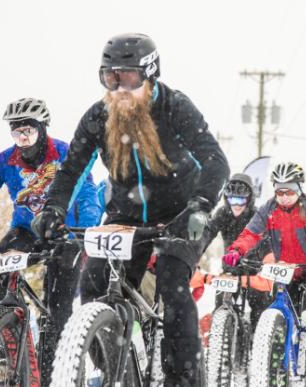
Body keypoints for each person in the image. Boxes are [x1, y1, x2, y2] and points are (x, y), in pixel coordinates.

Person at [31, 33, 230, 386]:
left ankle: (183, 379)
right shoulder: (98, 116)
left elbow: (216, 162)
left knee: (172, 282)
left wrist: (201, 205)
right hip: (125, 216)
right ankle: (116, 370)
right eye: (110, 77)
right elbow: (71, 170)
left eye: (128, 77)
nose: (119, 87)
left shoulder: (175, 108)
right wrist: (53, 208)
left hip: (181, 214)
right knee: (92, 285)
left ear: (150, 75)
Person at [0, 98, 100, 381]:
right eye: (17, 132)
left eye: (29, 130)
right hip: (26, 230)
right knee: (0, 272)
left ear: (42, 129)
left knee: (58, 305)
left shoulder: (64, 153)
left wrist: (84, 236)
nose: (24, 138)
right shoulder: (5, 160)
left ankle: (57, 369)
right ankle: (16, 327)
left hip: (66, 232)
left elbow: (89, 194)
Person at [223, 162, 306, 352]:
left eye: (289, 192)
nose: (285, 197)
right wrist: (236, 250)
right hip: (286, 270)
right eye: (280, 192)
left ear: (299, 189)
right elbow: (250, 234)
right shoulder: (268, 209)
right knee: (283, 312)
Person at [204, 173, 273, 328]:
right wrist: (194, 252)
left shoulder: (257, 216)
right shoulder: (222, 213)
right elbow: (207, 234)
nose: (236, 205)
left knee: (260, 308)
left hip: (254, 270)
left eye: (240, 200)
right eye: (232, 199)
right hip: (231, 269)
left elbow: (268, 242)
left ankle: (257, 339)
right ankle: (222, 335)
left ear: (249, 200)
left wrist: (267, 263)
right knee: (221, 303)